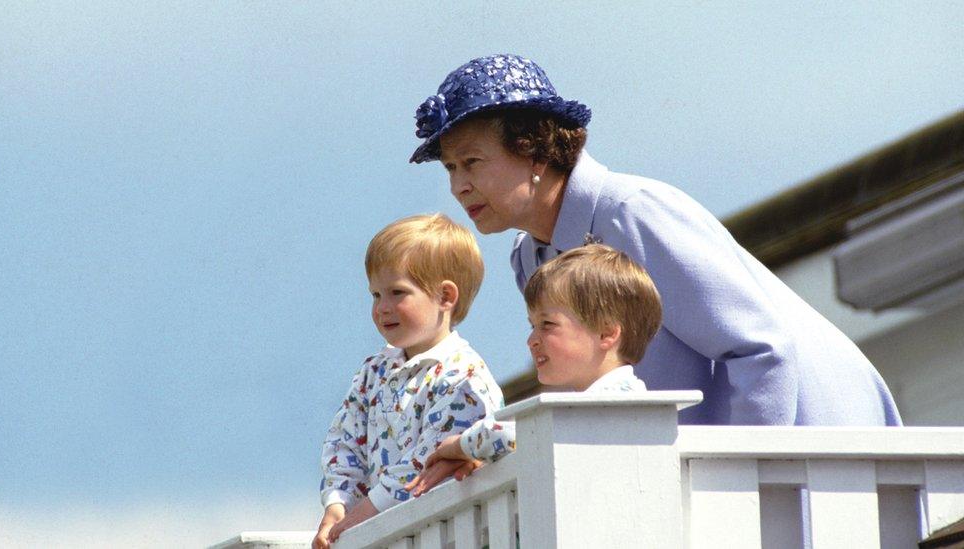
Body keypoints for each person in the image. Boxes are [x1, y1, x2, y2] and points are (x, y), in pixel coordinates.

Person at [409, 53, 902, 427]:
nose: (458, 186)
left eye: (471, 162)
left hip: (822, 450)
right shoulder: (530, 256)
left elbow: (761, 349)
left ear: (534, 151)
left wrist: (735, 490)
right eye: (451, 167)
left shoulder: (632, 211)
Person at [406, 244, 661, 496]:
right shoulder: (597, 404)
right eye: (532, 326)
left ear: (606, 333)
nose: (532, 340)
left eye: (547, 324)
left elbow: (517, 434)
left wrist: (459, 446)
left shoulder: (617, 400)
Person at [314, 214, 504, 548]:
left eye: (397, 293)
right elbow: (344, 441)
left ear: (446, 296)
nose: (382, 308)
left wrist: (364, 515)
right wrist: (337, 504)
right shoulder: (374, 371)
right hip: (386, 536)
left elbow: (427, 458)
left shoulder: (465, 377)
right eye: (375, 295)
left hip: (446, 535)